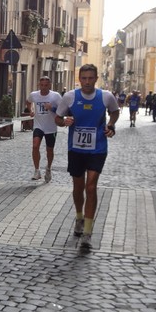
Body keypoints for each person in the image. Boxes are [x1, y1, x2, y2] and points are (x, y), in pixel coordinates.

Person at [55, 64, 119, 250]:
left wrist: (111, 125)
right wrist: (64, 121)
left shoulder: (105, 96)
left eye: (91, 78)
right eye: (84, 78)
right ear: (79, 78)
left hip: (97, 148)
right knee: (78, 186)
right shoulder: (70, 97)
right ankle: (79, 217)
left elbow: (114, 112)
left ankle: (88, 233)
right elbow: (57, 118)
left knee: (91, 187)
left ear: (96, 78)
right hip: (76, 149)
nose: (87, 82)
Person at [25, 76, 62, 182]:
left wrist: (52, 108)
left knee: (49, 150)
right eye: (42, 85)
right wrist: (30, 110)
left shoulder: (55, 96)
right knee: (35, 146)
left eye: (46, 85)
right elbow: (28, 101)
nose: (44, 87)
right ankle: (37, 170)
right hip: (38, 125)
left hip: (51, 127)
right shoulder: (34, 95)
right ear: (39, 85)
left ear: (49, 85)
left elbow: (63, 110)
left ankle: (48, 168)